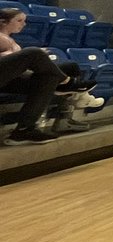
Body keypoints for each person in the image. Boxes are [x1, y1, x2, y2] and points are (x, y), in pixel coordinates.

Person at [0, 8, 95, 143]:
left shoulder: (11, 41)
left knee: (60, 71)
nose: (24, 24)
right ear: (3, 22)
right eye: (19, 20)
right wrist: (30, 56)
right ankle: (68, 84)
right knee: (34, 53)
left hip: (10, 79)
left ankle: (25, 129)